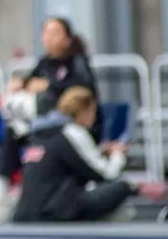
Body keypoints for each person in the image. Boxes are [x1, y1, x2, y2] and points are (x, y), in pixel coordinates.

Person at [13, 86, 134, 223]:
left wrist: (100, 151)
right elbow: (106, 174)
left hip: (26, 212)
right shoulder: (73, 131)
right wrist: (118, 154)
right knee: (123, 187)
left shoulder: (40, 134)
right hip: (55, 212)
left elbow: (64, 159)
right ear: (85, 111)